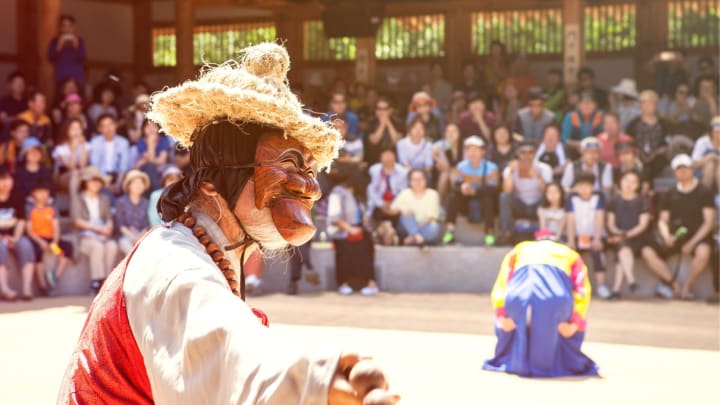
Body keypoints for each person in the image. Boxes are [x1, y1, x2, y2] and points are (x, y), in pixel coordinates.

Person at [59, 43, 395, 404]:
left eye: (308, 170)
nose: (309, 187)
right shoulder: (175, 266)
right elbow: (226, 355)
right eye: (288, 165)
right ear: (212, 184)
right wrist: (311, 385)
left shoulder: (201, 248)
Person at [484, 233, 598, 377]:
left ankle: (511, 359)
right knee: (569, 318)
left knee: (508, 313)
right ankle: (561, 362)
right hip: (555, 301)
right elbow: (582, 291)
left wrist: (501, 315)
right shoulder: (571, 254)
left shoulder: (520, 249)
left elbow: (502, 284)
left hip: (518, 298)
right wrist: (575, 322)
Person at [641, 154, 716, 300]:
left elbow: (709, 222)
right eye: (679, 169)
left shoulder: (704, 192)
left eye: (686, 168)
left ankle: (687, 287)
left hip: (698, 237)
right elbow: (663, 220)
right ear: (675, 172)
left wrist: (692, 243)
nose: (683, 172)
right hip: (675, 236)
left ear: (692, 169)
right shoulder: (669, 194)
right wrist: (666, 236)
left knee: (703, 252)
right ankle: (674, 285)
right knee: (647, 251)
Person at [328, 171, 379, 296]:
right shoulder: (338, 193)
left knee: (367, 245)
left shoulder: (358, 195)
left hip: (359, 230)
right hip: (342, 232)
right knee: (345, 248)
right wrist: (349, 229)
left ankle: (371, 283)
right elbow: (334, 217)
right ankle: (343, 283)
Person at [70, 166, 118, 295]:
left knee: (112, 245)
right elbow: (77, 221)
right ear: (86, 182)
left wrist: (108, 227)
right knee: (97, 247)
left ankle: (108, 281)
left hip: (102, 235)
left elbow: (109, 217)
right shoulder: (78, 198)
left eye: (98, 180)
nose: (96, 183)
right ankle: (97, 281)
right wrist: (98, 229)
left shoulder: (104, 199)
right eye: (92, 180)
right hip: (84, 237)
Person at [443, 136, 499, 245]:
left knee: (488, 199)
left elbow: (493, 189)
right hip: (466, 201)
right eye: (469, 150)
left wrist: (475, 191)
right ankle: (450, 230)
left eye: (475, 150)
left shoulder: (491, 168)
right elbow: (455, 185)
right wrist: (462, 187)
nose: (472, 153)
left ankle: (489, 233)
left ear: (482, 152)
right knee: (452, 197)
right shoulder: (461, 166)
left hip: (483, 201)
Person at [606, 170, 650, 299]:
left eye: (633, 181)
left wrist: (627, 234)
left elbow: (643, 225)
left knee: (622, 248)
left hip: (637, 238)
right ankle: (630, 281)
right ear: (620, 181)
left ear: (638, 184)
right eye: (626, 180)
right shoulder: (614, 200)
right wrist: (619, 233)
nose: (629, 184)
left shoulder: (642, 201)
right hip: (618, 237)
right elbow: (611, 224)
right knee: (622, 246)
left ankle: (617, 289)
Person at [498, 141, 553, 245]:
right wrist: (511, 172)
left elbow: (549, 193)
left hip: (539, 205)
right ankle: (506, 232)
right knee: (504, 197)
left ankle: (549, 233)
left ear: (535, 153)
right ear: (518, 154)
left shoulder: (544, 168)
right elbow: (507, 191)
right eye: (523, 153)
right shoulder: (510, 168)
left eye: (530, 153)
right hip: (520, 205)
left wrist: (538, 176)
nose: (527, 156)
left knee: (550, 196)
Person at [566, 172, 610, 299]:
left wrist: (597, 239)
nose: (584, 189)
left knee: (598, 253)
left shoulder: (598, 197)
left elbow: (599, 218)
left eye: (587, 186)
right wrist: (570, 240)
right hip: (577, 235)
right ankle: (571, 287)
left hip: (595, 235)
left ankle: (601, 285)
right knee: (570, 256)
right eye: (581, 186)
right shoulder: (572, 199)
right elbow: (570, 219)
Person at [25, 180, 73, 296]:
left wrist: (54, 243)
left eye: (45, 192)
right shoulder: (29, 209)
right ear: (33, 194)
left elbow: (56, 228)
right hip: (37, 239)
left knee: (66, 249)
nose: (43, 195)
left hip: (51, 240)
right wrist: (41, 242)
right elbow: (29, 230)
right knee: (37, 252)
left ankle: (55, 277)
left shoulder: (52, 209)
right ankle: (42, 285)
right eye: (40, 192)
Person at [0, 167, 35, 301]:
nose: (5, 183)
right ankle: (4, 288)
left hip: (15, 235)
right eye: (2, 179)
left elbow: (21, 221)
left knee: (26, 245)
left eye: (8, 179)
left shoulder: (17, 197)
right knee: (0, 247)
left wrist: (15, 238)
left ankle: (27, 289)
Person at [626, 90, 672, 180]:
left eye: (650, 103)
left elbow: (668, 142)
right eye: (644, 103)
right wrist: (639, 153)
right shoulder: (633, 124)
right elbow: (629, 141)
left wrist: (655, 154)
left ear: (656, 105)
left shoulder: (664, 124)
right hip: (638, 155)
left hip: (657, 157)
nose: (647, 106)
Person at [389, 168, 441, 246]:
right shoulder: (405, 193)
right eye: (415, 180)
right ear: (410, 182)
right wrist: (401, 208)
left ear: (425, 180)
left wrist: (413, 232)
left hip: (424, 226)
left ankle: (412, 239)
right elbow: (391, 210)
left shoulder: (433, 194)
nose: (418, 182)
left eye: (420, 179)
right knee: (406, 212)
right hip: (406, 227)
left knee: (434, 227)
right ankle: (418, 238)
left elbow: (431, 217)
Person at [88, 114, 130, 195]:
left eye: (111, 124)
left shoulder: (123, 142)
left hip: (117, 176)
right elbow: (95, 165)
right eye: (104, 126)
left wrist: (118, 184)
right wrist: (106, 184)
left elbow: (123, 166)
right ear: (99, 129)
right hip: (100, 176)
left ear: (115, 125)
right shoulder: (95, 142)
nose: (108, 128)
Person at [366, 148, 408, 227]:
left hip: (396, 203)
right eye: (385, 156)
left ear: (395, 157)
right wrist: (381, 203)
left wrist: (395, 205)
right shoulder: (374, 170)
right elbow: (371, 190)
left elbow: (403, 191)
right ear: (380, 158)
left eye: (390, 155)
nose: (388, 158)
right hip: (379, 202)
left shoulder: (403, 172)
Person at [115, 170, 151, 255]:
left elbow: (147, 225)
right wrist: (132, 237)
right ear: (129, 185)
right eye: (135, 182)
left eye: (141, 182)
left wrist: (139, 237)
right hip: (125, 237)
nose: (138, 185)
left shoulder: (146, 203)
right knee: (130, 251)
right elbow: (120, 224)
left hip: (142, 236)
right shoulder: (121, 202)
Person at [130, 119, 170, 191]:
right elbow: (150, 160)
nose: (151, 129)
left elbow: (161, 161)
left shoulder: (163, 140)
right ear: (143, 130)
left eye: (154, 126)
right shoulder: (141, 142)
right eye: (148, 126)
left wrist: (143, 161)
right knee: (150, 166)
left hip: (161, 169)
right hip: (145, 170)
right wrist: (151, 144)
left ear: (159, 128)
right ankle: (157, 192)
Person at [52, 118, 90, 194]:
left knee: (89, 172)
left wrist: (82, 146)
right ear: (67, 131)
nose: (76, 132)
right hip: (62, 177)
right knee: (75, 173)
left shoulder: (86, 146)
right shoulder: (60, 148)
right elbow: (71, 167)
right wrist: (74, 150)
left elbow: (83, 165)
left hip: (80, 174)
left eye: (78, 128)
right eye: (73, 129)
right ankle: (74, 201)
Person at [47, 15, 86, 87]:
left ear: (74, 27)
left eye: (69, 26)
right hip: (61, 76)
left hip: (76, 76)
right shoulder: (55, 41)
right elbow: (51, 58)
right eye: (64, 26)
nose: (67, 29)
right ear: (60, 28)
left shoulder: (79, 41)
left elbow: (82, 58)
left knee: (76, 97)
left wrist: (76, 45)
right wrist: (59, 45)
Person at [561, 92, 604, 157]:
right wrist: (582, 144)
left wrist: (590, 146)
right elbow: (565, 139)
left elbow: (605, 137)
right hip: (574, 153)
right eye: (584, 103)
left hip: (596, 152)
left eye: (590, 103)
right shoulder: (570, 116)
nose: (587, 106)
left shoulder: (600, 116)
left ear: (595, 105)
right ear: (578, 105)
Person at [13, 137, 55, 203]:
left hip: (44, 204)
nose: (34, 154)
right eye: (31, 152)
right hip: (25, 204)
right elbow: (17, 192)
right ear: (25, 155)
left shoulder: (46, 171)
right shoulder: (18, 173)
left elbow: (52, 190)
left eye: (37, 151)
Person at [364, 97, 403, 166]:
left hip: (394, 159)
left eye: (385, 109)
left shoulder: (398, 122)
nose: (381, 112)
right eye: (378, 108)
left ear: (390, 110)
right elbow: (374, 141)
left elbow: (397, 142)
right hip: (374, 159)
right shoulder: (371, 122)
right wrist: (382, 125)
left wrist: (389, 124)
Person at [432, 122, 462, 200]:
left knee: (451, 175)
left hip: (462, 174)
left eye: (454, 131)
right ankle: (439, 205)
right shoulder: (443, 145)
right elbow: (431, 151)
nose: (451, 134)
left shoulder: (463, 145)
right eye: (448, 131)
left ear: (459, 133)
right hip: (446, 173)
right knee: (445, 175)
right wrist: (436, 158)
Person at [691, 116, 720, 192]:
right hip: (703, 174)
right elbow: (693, 164)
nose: (718, 134)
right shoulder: (702, 142)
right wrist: (708, 157)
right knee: (710, 164)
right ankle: (704, 195)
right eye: (716, 131)